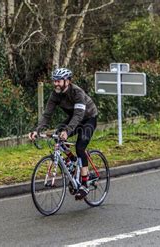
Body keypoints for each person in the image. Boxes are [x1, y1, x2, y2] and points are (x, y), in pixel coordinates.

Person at [28, 68, 98, 200]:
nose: (56, 84)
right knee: (57, 135)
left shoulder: (77, 92)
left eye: (59, 81)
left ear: (67, 81)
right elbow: (47, 115)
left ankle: (84, 183)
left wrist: (68, 131)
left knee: (80, 147)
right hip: (74, 118)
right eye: (54, 81)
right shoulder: (55, 94)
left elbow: (78, 115)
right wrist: (37, 131)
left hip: (88, 118)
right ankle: (72, 161)